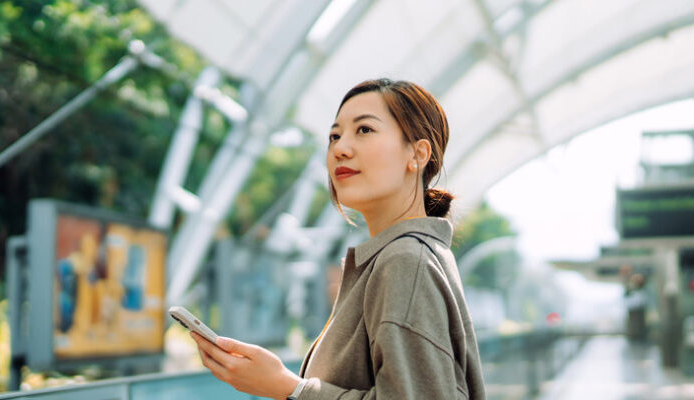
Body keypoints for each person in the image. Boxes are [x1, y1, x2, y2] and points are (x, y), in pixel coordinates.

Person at [190, 78, 486, 399]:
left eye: (364, 130)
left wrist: (289, 388)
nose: (340, 149)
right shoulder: (415, 254)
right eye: (334, 135)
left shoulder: (404, 260)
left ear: (417, 154)